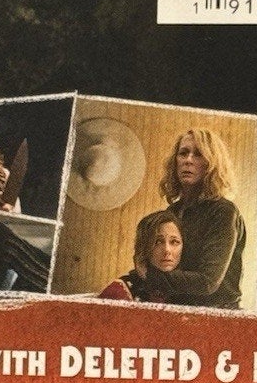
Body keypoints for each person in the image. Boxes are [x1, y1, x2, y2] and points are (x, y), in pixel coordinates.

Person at [140, 129, 247, 309]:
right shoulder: (172, 211)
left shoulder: (223, 211)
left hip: (217, 314)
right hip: (178, 309)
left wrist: (150, 275)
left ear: (212, 164)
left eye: (198, 154)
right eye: (183, 153)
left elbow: (207, 282)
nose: (188, 160)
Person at [100, 210, 184, 302]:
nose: (167, 250)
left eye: (174, 242)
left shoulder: (188, 293)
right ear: (143, 246)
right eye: (158, 242)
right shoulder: (120, 290)